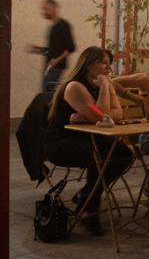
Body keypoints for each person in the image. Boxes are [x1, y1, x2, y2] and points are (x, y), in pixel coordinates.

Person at [44, 46, 133, 235]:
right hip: (61, 143)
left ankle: (86, 195)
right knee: (100, 155)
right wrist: (104, 90)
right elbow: (103, 116)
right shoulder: (75, 86)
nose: (108, 67)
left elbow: (118, 113)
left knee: (124, 154)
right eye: (103, 62)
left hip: (89, 139)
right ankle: (90, 209)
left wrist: (95, 114)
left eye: (109, 63)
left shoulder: (100, 83)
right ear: (88, 65)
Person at [29, 0, 76, 92]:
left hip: (56, 67)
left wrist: (56, 60)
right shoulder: (53, 27)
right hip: (50, 66)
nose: (44, 12)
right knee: (47, 92)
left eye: (46, 9)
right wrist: (38, 49)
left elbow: (71, 47)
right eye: (43, 9)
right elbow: (52, 49)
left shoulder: (63, 25)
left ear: (54, 9)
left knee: (47, 93)